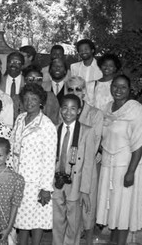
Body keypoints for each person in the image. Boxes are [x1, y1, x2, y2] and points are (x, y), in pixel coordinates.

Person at [96, 75, 142, 245]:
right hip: (108, 165)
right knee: (111, 207)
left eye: (123, 87)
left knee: (123, 208)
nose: (118, 90)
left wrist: (131, 172)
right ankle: (112, 241)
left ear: (129, 89)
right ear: (111, 87)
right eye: (115, 86)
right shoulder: (106, 109)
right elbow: (101, 137)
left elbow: (139, 142)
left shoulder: (136, 109)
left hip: (126, 165)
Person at [10, 83, 57, 245]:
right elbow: (13, 146)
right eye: (26, 98)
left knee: (37, 220)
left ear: (41, 101)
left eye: (34, 99)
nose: (29, 102)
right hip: (18, 179)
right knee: (21, 220)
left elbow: (50, 158)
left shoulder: (47, 125)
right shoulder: (20, 118)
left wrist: (46, 188)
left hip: (35, 182)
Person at [52, 94, 97, 245]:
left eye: (73, 108)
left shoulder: (86, 131)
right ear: (60, 110)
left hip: (75, 183)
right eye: (65, 108)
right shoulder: (55, 129)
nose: (68, 112)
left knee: (74, 223)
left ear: (79, 111)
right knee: (57, 221)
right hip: (57, 182)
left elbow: (89, 163)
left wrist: (85, 190)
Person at [65, 76, 104, 245]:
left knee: (88, 208)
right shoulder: (65, 111)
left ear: (84, 91)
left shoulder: (95, 114)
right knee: (71, 208)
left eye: (78, 89)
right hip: (68, 168)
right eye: (71, 89)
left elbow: (94, 144)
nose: (75, 92)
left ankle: (88, 241)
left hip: (88, 166)